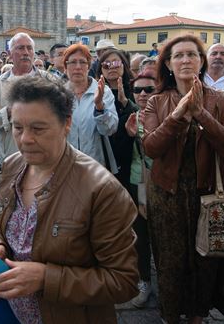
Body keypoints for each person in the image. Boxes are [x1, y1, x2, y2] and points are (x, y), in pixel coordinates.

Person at [0, 76, 139, 322]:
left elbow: (123, 281)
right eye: (17, 127)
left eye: (38, 128)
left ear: (67, 123)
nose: (25, 139)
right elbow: (4, 217)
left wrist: (46, 278)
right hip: (9, 308)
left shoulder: (102, 190)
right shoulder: (13, 165)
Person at [140, 35, 224, 324]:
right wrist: (177, 116)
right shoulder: (156, 101)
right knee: (170, 264)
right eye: (178, 56)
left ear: (201, 61)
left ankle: (198, 316)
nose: (185, 60)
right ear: (169, 65)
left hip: (209, 194)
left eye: (192, 54)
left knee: (205, 261)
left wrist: (200, 113)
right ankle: (171, 316)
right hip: (168, 195)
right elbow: (151, 148)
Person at [0, 33, 55, 163]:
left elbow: (62, 113)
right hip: (13, 157)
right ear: (10, 54)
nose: (26, 52)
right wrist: (11, 110)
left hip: (45, 155)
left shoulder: (49, 80)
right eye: (20, 48)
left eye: (29, 48)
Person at [122, 69, 158, 308]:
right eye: (138, 90)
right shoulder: (129, 114)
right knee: (141, 236)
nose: (143, 94)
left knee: (164, 239)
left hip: (164, 183)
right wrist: (129, 136)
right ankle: (144, 280)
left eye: (149, 89)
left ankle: (169, 283)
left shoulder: (167, 113)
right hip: (137, 182)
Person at [62, 44, 118, 168]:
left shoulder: (103, 91)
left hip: (95, 165)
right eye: (72, 62)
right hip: (66, 165)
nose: (78, 67)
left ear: (88, 66)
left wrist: (99, 106)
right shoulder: (59, 94)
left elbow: (110, 129)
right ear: (65, 67)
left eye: (82, 62)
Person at [99, 48, 138, 186]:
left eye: (116, 63)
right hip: (107, 153)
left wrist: (126, 103)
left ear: (124, 65)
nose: (111, 67)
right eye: (106, 64)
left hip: (131, 154)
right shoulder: (97, 93)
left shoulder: (136, 89)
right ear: (101, 69)